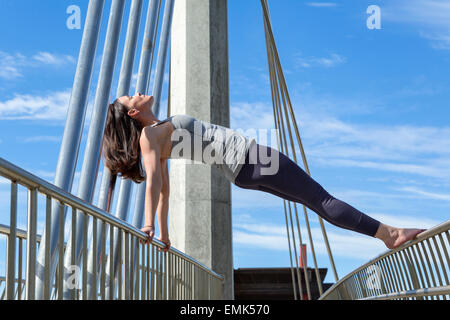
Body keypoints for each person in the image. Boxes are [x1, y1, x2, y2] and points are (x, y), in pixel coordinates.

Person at [102, 93, 426, 253]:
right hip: (251, 158)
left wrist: (165, 234)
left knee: (315, 202)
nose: (138, 91)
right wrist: (148, 224)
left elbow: (164, 190)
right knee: (320, 198)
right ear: (133, 112)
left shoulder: (158, 135)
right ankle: (389, 234)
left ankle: (387, 234)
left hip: (242, 172)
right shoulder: (150, 136)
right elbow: (155, 185)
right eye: (131, 96)